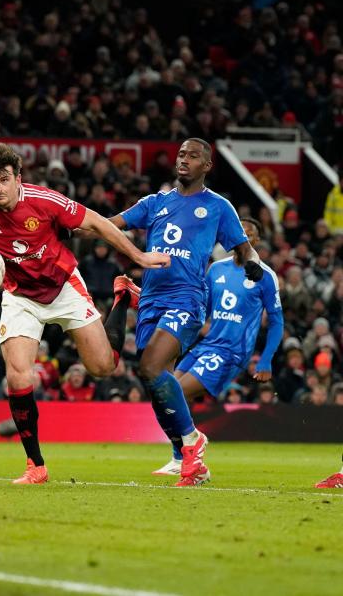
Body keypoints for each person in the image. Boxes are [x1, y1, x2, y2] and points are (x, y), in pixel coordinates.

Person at [0, 143, 169, 485]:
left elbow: (99, 224)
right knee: (18, 376)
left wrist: (140, 257)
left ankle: (121, 296)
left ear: (18, 178)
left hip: (63, 286)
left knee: (103, 367)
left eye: (2, 180)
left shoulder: (46, 201)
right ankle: (36, 465)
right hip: (20, 297)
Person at [105, 138, 264, 487]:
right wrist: (71, 223)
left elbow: (244, 248)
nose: (184, 160)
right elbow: (112, 223)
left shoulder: (218, 207)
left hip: (187, 298)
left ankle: (193, 441)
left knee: (150, 366)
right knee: (153, 380)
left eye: (193, 156)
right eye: (181, 154)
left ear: (206, 166)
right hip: (150, 301)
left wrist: (253, 267)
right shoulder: (156, 203)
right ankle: (183, 457)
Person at [150, 218, 283, 476]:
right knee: (160, 391)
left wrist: (266, 359)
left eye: (249, 233)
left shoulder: (265, 275)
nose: (242, 235)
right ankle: (181, 457)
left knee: (176, 390)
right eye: (239, 230)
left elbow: (276, 321)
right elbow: (203, 311)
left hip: (232, 352)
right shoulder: (216, 270)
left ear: (256, 241)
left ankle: (192, 450)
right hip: (207, 345)